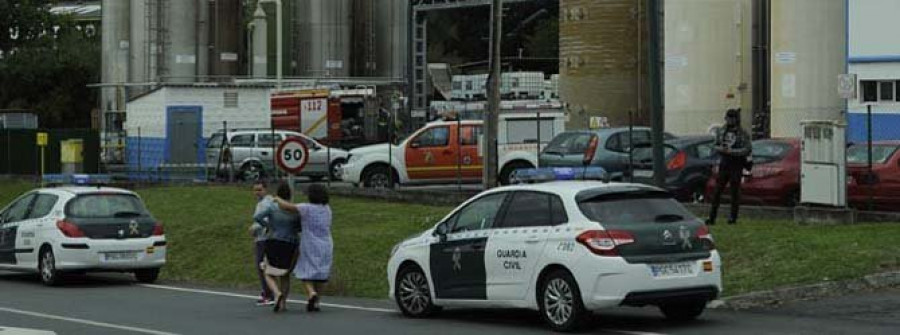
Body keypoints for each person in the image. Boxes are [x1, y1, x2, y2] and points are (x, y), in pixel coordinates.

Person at [274, 184, 332, 312]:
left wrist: (277, 199)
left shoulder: (307, 208)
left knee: (305, 271)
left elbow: (287, 207)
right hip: (326, 243)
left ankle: (311, 293)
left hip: (310, 243)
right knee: (321, 273)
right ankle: (317, 302)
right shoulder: (327, 209)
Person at [254, 182, 302, 312]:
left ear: (278, 194)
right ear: (290, 195)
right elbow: (299, 228)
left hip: (274, 240)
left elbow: (257, 217)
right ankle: (283, 303)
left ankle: (276, 293)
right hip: (290, 242)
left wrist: (267, 226)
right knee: (285, 275)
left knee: (268, 271)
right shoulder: (294, 211)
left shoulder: (272, 207)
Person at [708, 108, 752, 225]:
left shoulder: (742, 133)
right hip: (724, 162)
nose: (729, 121)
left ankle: (733, 217)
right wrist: (721, 149)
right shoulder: (722, 131)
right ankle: (712, 217)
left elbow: (747, 149)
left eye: (731, 119)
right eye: (727, 118)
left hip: (736, 163)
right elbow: (714, 145)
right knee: (718, 191)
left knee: (734, 192)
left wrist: (733, 152)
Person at [249, 181, 274, 306]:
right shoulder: (266, 202)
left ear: (265, 189)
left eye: (259, 190)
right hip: (263, 238)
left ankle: (268, 293)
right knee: (264, 266)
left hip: (263, 238)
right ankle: (267, 291)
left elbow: (263, 220)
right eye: (255, 190)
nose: (257, 193)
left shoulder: (265, 204)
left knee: (262, 266)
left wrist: (253, 228)